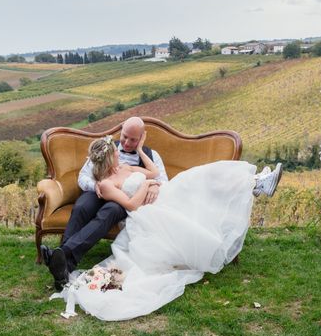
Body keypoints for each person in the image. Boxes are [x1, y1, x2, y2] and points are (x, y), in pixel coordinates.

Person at [50, 135, 283, 321]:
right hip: (150, 207)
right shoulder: (106, 184)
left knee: (197, 177)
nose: (121, 154)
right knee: (196, 186)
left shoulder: (126, 169)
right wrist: (149, 185)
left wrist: (142, 154)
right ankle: (255, 185)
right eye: (116, 153)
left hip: (164, 193)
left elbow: (153, 173)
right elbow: (131, 203)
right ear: (109, 159)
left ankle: (255, 183)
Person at [41, 117, 168, 290]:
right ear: (121, 130)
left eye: (133, 139)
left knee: (109, 211)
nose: (127, 142)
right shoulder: (106, 148)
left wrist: (153, 185)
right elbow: (83, 176)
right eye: (125, 137)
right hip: (98, 191)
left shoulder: (151, 154)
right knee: (81, 207)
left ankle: (61, 257)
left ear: (142, 137)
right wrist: (96, 186)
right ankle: (64, 266)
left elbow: (161, 179)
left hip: (123, 198)